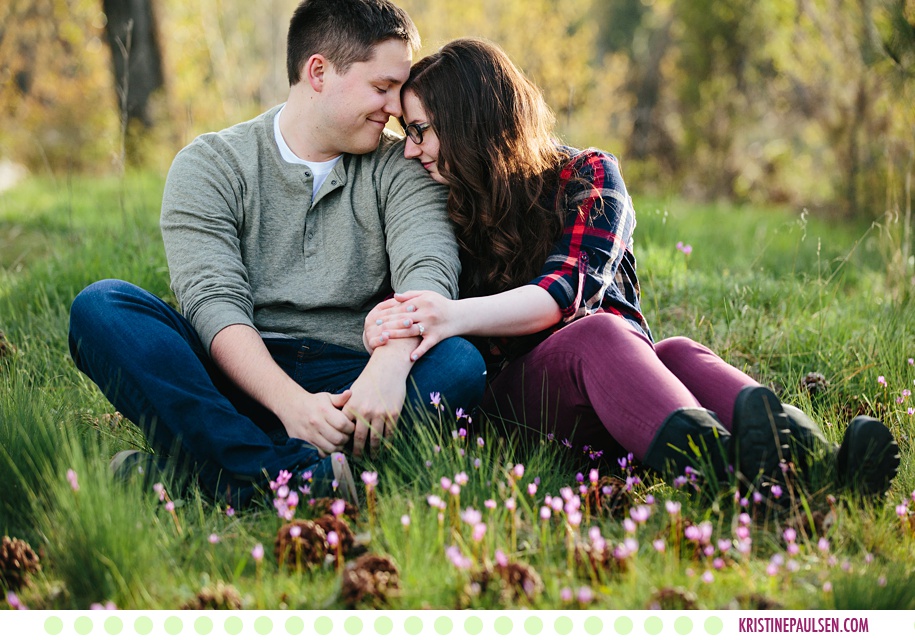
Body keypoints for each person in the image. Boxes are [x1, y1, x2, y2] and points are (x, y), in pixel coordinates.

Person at [363, 37, 900, 497]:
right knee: (600, 336)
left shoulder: (586, 174)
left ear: (469, 124)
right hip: (518, 408)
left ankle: (821, 466)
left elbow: (566, 289)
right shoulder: (439, 204)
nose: (411, 151)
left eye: (420, 131)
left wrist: (453, 315)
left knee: (677, 352)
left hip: (617, 386)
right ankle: (731, 477)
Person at [67, 0, 487, 506]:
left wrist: (390, 364)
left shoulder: (402, 166)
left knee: (459, 362)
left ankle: (220, 475)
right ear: (318, 72)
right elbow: (214, 306)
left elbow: (428, 270)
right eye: (382, 87)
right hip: (235, 377)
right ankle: (300, 475)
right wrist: (292, 405)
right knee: (102, 307)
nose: (397, 108)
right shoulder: (211, 164)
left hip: (352, 384)